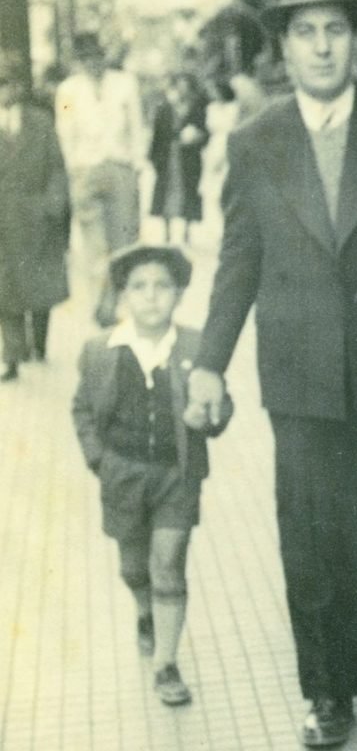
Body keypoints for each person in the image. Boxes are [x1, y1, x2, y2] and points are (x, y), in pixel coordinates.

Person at [184, 0, 357, 747]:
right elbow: (239, 256)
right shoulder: (256, 140)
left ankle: (342, 622)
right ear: (285, 46)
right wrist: (208, 360)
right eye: (307, 33)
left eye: (336, 30)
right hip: (297, 369)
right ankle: (327, 690)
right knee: (306, 527)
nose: (324, 48)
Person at [72, 244, 232, 707]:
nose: (151, 296)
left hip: (176, 477)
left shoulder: (197, 347)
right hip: (121, 476)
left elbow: (222, 403)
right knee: (133, 567)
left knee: (168, 565)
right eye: (138, 287)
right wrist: (98, 459)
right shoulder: (100, 350)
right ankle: (144, 612)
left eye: (162, 286)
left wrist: (211, 415)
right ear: (122, 295)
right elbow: (82, 408)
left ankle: (166, 663)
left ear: (179, 293)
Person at [55, 33, 146, 326]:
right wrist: (74, 171)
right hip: (87, 171)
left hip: (119, 167)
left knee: (124, 241)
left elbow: (137, 126)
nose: (93, 63)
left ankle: (118, 303)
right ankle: (102, 306)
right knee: (94, 246)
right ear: (79, 62)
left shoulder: (124, 84)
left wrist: (135, 164)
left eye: (97, 56)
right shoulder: (68, 91)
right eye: (86, 59)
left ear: (105, 56)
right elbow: (65, 132)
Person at [0, 50, 70, 381]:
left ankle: (39, 345)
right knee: (6, 288)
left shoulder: (40, 122)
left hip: (36, 215)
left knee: (40, 283)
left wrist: (52, 204)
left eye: (7, 83)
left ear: (18, 87)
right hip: (3, 218)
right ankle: (12, 355)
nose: (3, 91)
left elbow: (56, 166)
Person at [148, 72, 209, 245]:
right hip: (168, 157)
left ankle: (186, 232)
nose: (183, 91)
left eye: (186, 87)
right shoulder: (164, 108)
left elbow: (205, 133)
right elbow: (157, 136)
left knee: (189, 191)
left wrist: (197, 137)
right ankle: (167, 232)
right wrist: (154, 158)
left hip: (189, 158)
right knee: (166, 192)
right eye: (179, 86)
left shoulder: (196, 108)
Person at [199, 77, 239, 237]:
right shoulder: (211, 108)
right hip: (214, 145)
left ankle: (231, 226)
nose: (212, 93)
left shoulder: (233, 108)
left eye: (214, 90)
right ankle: (220, 228)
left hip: (229, 145)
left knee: (227, 188)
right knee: (212, 191)